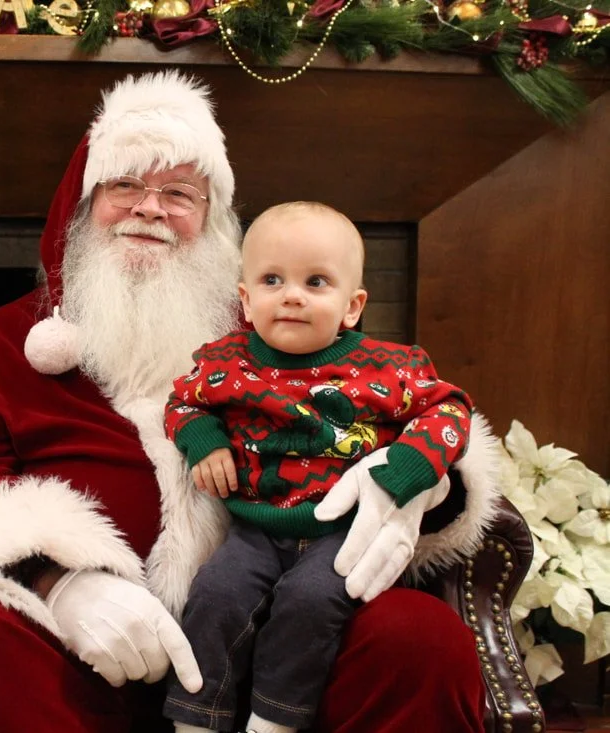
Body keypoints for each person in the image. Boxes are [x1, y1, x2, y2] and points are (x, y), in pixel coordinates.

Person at [0, 71, 497, 733]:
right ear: (82, 207)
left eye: (178, 193)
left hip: (273, 650)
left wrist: (420, 486)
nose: (150, 208)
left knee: (421, 637)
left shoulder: (274, 325)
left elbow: (411, 408)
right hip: (68, 661)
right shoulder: (5, 341)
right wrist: (60, 581)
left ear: (213, 223)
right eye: (125, 185)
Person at [161, 201, 474, 733]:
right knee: (215, 596)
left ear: (352, 307)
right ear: (247, 298)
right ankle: (197, 718)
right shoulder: (228, 362)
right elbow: (182, 404)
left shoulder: (386, 367)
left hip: (342, 531)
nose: (292, 294)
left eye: (316, 281)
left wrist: (407, 470)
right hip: (256, 527)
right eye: (273, 279)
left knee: (309, 603)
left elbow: (450, 409)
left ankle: (274, 720)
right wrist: (204, 442)